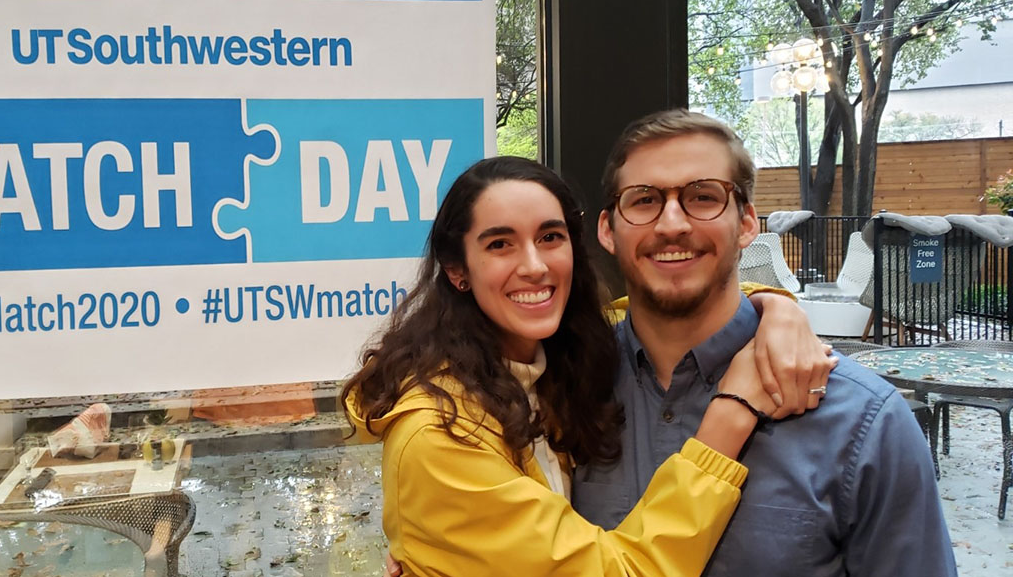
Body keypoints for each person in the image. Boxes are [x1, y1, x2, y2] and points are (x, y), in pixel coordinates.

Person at [342, 156, 834, 577]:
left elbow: (675, 308)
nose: (534, 265)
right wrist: (729, 416)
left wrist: (776, 310)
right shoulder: (438, 435)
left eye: (550, 236)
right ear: (457, 270)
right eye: (500, 244)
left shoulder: (554, 356)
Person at [573, 109, 955, 576]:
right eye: (644, 200)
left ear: (748, 223)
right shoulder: (559, 394)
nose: (672, 224)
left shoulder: (863, 422)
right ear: (608, 230)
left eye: (703, 196)